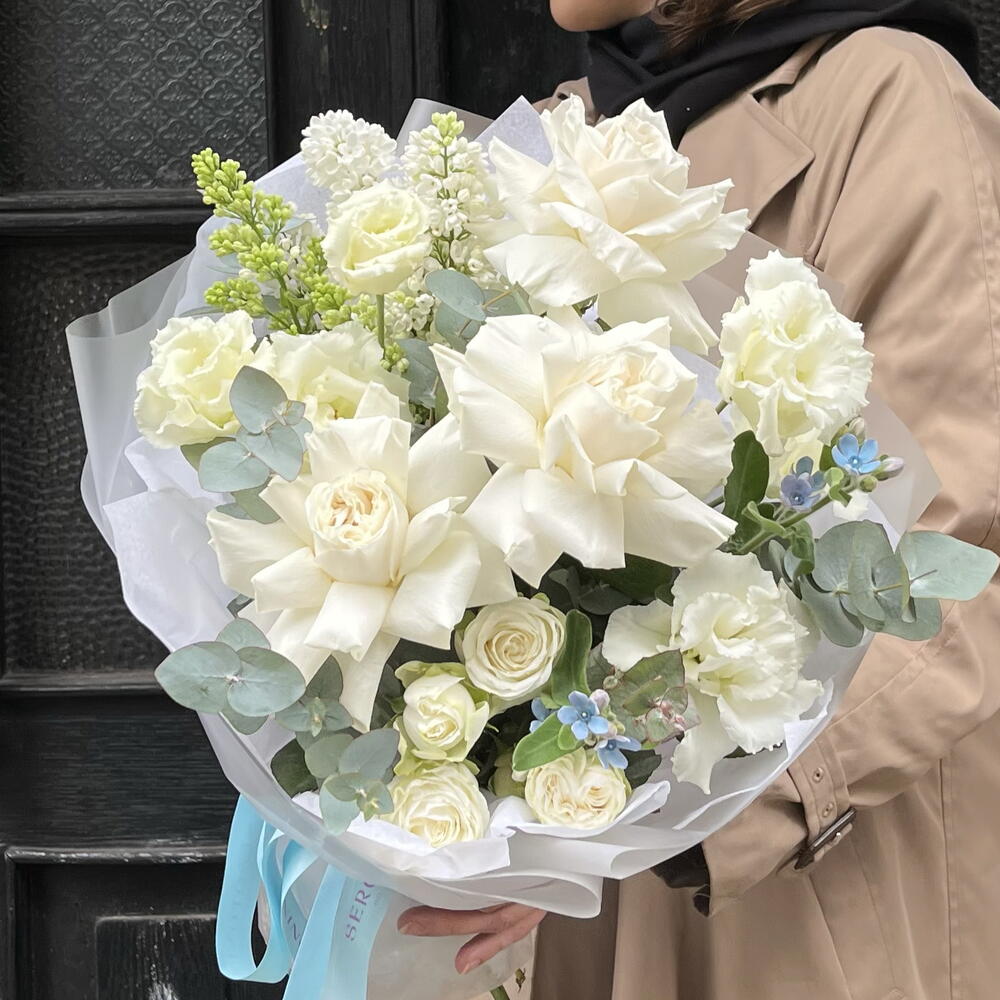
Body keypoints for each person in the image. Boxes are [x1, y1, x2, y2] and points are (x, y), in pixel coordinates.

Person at [398, 2, 1000, 997]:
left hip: (803, 899)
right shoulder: (556, 132)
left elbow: (964, 560)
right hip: (565, 893)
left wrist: (661, 818)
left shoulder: (890, 101)